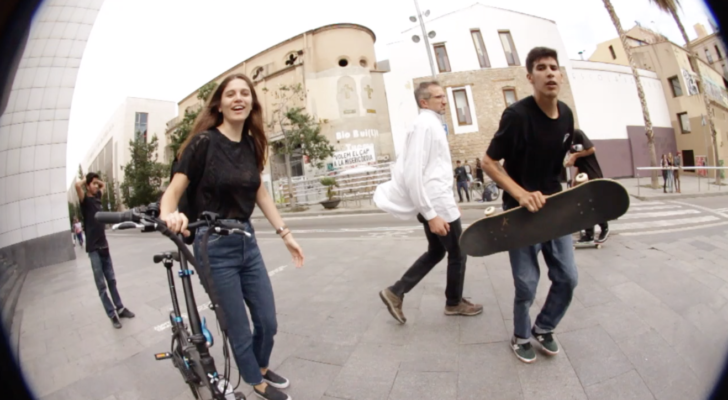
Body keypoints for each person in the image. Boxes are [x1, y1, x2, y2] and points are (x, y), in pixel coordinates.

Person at [160, 73, 304, 400]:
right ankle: (256, 380)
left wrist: (285, 234)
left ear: (252, 102)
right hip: (212, 246)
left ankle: (261, 366)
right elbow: (172, 194)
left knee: (267, 321)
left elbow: (259, 192)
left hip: (246, 240)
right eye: (230, 94)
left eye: (245, 93)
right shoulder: (203, 143)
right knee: (239, 329)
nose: (238, 98)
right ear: (220, 104)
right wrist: (171, 215)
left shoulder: (252, 144)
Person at [481, 46, 578, 363]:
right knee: (526, 284)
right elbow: (489, 162)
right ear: (530, 77)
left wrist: (572, 183)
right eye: (541, 68)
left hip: (555, 206)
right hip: (520, 212)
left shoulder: (566, 116)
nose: (549, 72)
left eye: (554, 67)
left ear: (560, 74)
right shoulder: (517, 116)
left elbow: (555, 160)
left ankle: (544, 327)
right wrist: (521, 194)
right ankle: (521, 335)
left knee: (567, 277)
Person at [374, 81, 483, 324]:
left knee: (437, 251)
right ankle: (453, 303)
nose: (444, 100)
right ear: (424, 102)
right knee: (458, 252)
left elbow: (437, 169)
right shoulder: (424, 125)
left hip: (439, 202)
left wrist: (450, 202)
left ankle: (396, 292)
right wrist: (431, 213)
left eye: (443, 96)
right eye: (438, 97)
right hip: (435, 205)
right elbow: (414, 171)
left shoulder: (432, 123)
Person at [75, 173, 135, 329]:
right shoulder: (85, 202)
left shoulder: (97, 198)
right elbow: (77, 186)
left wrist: (95, 181)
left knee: (112, 281)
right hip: (94, 249)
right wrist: (87, 179)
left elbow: (103, 186)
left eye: (96, 184)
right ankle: (112, 315)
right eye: (93, 184)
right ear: (87, 186)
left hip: (104, 247)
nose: (96, 186)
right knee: (101, 286)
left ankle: (120, 308)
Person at [565, 129, 609, 244]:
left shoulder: (577, 133)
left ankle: (604, 228)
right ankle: (589, 234)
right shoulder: (566, 141)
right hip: (582, 175)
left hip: (593, 173)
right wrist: (575, 178)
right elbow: (580, 164)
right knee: (585, 205)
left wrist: (575, 156)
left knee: (595, 204)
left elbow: (592, 149)